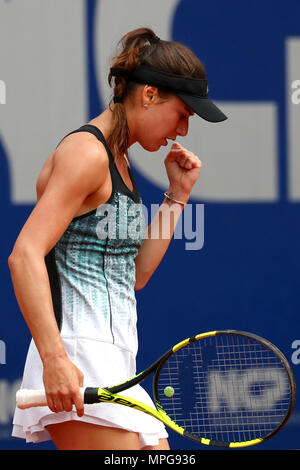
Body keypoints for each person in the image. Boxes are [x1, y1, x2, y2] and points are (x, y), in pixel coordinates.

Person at [8, 27, 227, 450]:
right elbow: (25, 255)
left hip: (112, 363)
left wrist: (176, 197)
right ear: (148, 95)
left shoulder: (119, 159)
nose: (182, 130)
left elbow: (137, 274)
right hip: (75, 356)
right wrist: (55, 359)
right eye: (182, 113)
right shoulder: (87, 154)